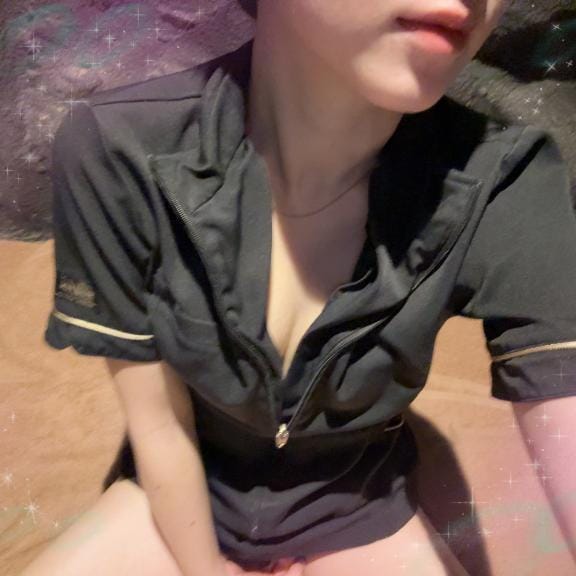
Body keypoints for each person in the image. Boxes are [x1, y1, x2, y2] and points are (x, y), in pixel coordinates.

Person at [26, 0, 576, 575]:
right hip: (183, 497)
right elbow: (159, 424)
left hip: (358, 503)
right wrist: (204, 568)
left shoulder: (505, 180)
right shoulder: (120, 149)